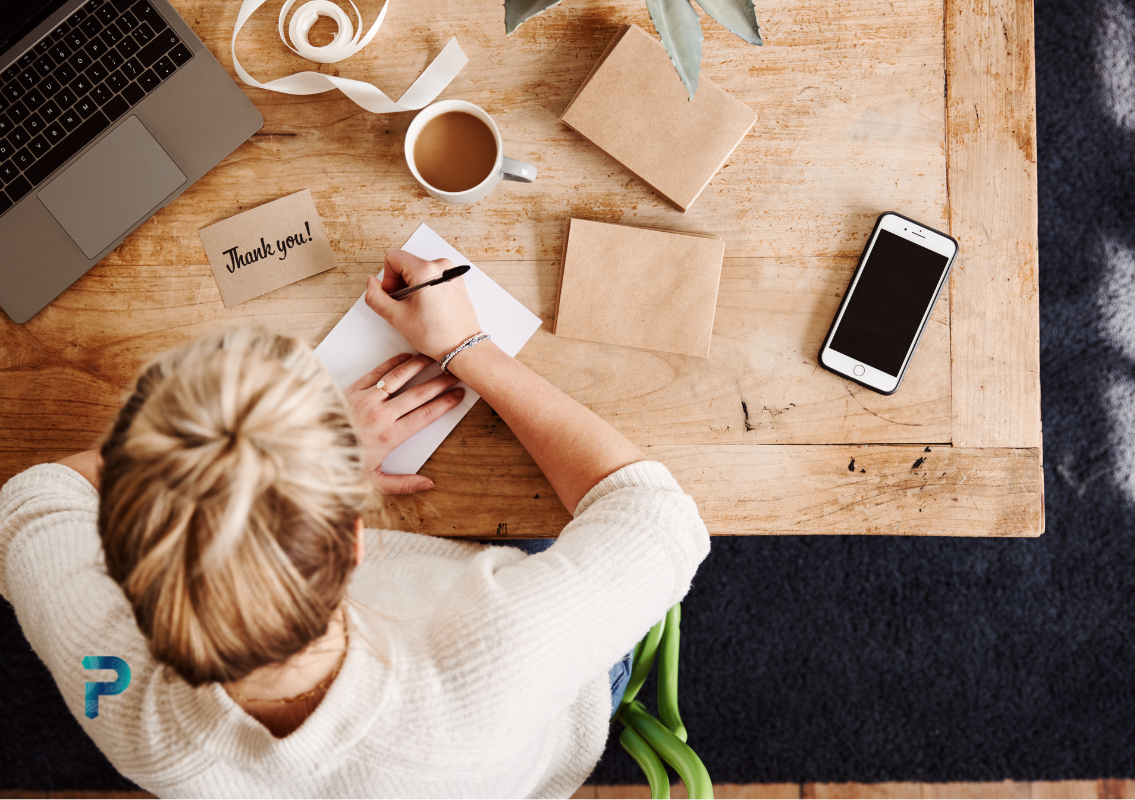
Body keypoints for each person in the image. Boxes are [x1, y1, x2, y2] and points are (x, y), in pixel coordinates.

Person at [0, 250, 710, 798]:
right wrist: (467, 346)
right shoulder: (497, 657)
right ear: (352, 541)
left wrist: (278, 465)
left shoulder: (113, 682)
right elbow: (659, 516)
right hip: (530, 718)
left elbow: (30, 501)